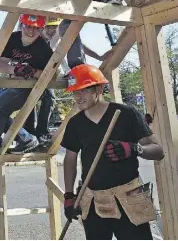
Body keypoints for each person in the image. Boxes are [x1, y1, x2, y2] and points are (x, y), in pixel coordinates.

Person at [61, 64, 164, 240]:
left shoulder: (126, 114)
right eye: (74, 92)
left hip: (128, 199)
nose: (78, 97)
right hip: (93, 201)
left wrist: (133, 149)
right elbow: (70, 159)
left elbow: (158, 151)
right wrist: (69, 195)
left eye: (83, 91)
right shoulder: (75, 124)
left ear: (99, 89)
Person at [0, 14, 52, 155]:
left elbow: (52, 74)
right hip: (11, 82)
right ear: (21, 25)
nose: (31, 32)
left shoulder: (43, 48)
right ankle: (26, 139)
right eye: (28, 26)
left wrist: (32, 71)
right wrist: (14, 69)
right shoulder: (12, 39)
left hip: (28, 88)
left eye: (36, 28)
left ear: (41, 29)